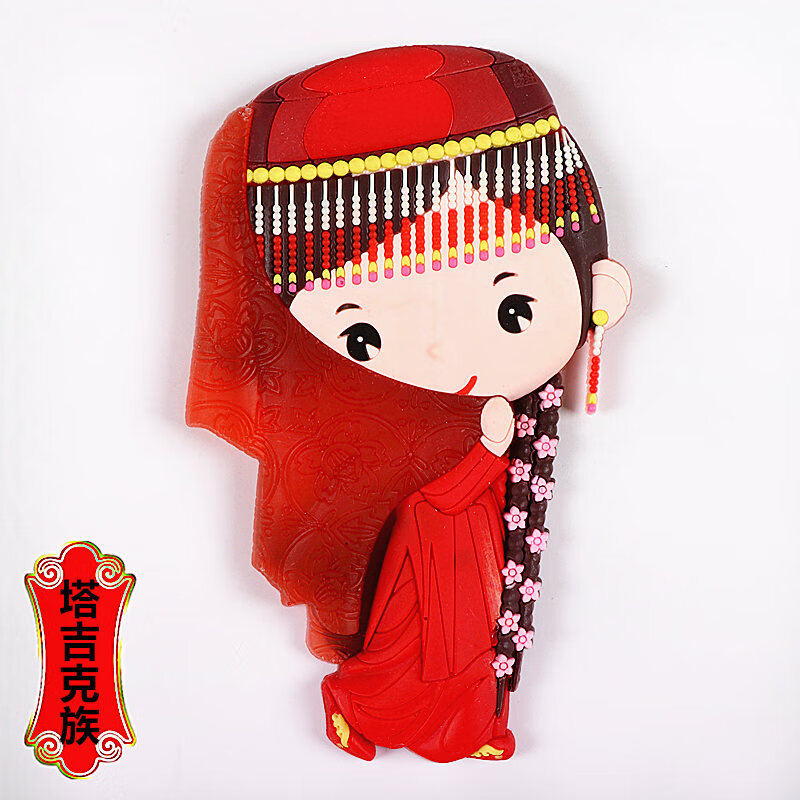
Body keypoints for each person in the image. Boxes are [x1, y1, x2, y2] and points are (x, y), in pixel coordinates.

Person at [187, 45, 631, 762]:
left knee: (473, 637)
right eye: (361, 333)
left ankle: (470, 722)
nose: (438, 355)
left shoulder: (504, 408)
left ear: (601, 287)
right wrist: (485, 457)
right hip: (434, 547)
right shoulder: (424, 430)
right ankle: (371, 706)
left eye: (514, 309)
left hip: (462, 543)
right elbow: (443, 500)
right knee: (426, 643)